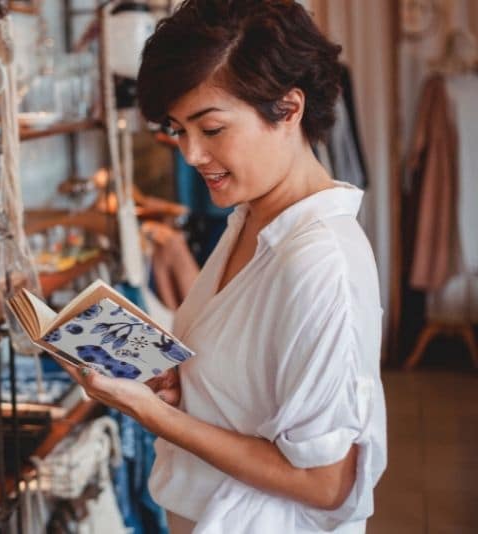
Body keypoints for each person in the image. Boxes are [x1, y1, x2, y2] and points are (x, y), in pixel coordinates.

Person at [63, 1, 387, 532]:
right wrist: (185, 383)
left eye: (211, 129)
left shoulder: (319, 260)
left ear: (288, 108)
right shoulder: (249, 219)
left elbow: (328, 483)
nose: (190, 154)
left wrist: (156, 417)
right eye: (177, 129)